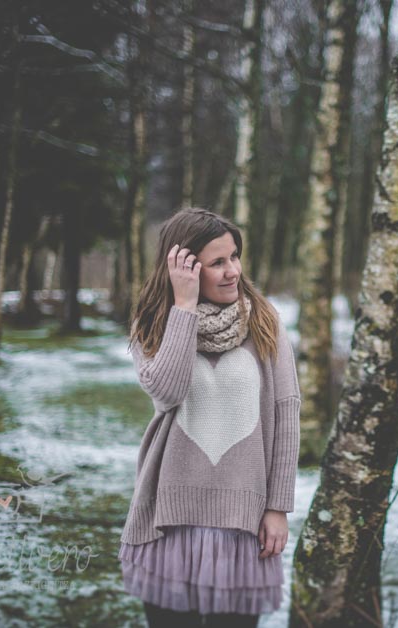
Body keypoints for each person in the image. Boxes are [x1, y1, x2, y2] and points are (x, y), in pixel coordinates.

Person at [116, 207, 301, 627]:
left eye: (234, 256)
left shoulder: (265, 323)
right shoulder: (155, 323)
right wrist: (183, 308)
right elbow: (167, 393)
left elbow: (286, 415)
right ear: (184, 267)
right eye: (217, 262)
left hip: (243, 526)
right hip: (170, 522)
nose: (232, 271)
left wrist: (278, 507)